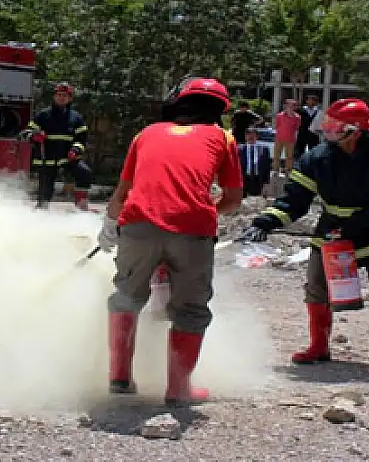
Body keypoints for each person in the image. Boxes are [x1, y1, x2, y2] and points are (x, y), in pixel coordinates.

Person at [236, 98, 369, 371]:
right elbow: (294, 201)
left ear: (357, 130)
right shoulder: (317, 158)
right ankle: (319, 346)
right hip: (332, 234)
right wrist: (265, 222)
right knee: (316, 290)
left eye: (336, 128)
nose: (328, 133)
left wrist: (359, 222)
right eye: (328, 126)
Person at [104, 77, 243, 405]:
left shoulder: (145, 134)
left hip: (137, 224)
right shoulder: (223, 138)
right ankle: (178, 390)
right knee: (190, 309)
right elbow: (234, 198)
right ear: (220, 111)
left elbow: (120, 196)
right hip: (191, 229)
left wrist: (110, 225)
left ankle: (119, 377)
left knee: (126, 297)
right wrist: (205, 211)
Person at [22, 82, 94, 211]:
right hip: (47, 159)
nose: (61, 98)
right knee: (45, 189)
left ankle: (81, 206)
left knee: (85, 173)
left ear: (70, 98)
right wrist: (34, 136)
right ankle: (41, 212)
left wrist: (75, 150)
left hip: (68, 157)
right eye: (59, 95)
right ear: (54, 96)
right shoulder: (43, 115)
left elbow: (82, 139)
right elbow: (26, 133)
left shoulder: (76, 118)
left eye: (65, 95)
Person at [239, 128, 272, 197]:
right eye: (249, 135)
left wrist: (266, 183)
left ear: (257, 137)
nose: (251, 137)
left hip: (258, 180)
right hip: (244, 180)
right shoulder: (239, 149)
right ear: (245, 136)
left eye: (253, 135)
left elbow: (267, 167)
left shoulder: (264, 149)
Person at [274, 98, 301, 172]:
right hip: (279, 139)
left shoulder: (297, 117)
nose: (291, 107)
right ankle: (276, 170)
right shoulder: (279, 115)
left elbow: (297, 128)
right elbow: (276, 126)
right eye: (289, 105)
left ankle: (288, 171)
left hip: (290, 140)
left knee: (289, 157)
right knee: (276, 156)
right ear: (285, 106)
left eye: (293, 105)